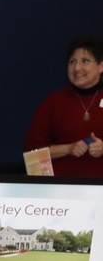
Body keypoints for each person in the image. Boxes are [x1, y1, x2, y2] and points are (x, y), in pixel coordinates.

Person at [24, 36, 103, 176]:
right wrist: (68, 149)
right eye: (72, 61)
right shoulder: (54, 102)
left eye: (85, 61)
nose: (77, 68)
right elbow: (32, 154)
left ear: (101, 66)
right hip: (60, 189)